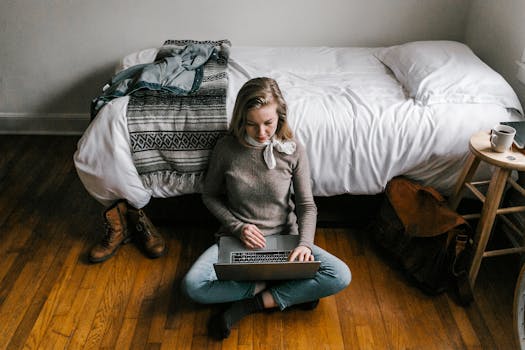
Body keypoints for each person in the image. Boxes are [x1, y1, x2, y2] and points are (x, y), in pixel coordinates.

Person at [181, 77, 351, 340]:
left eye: (268, 123)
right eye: (252, 124)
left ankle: (252, 302)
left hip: (284, 241)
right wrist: (238, 228)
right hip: (238, 242)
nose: (261, 132)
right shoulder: (226, 148)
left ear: (280, 116)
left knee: (340, 275)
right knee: (192, 286)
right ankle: (281, 288)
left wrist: (304, 244)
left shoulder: (293, 150)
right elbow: (210, 196)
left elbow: (307, 205)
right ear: (241, 119)